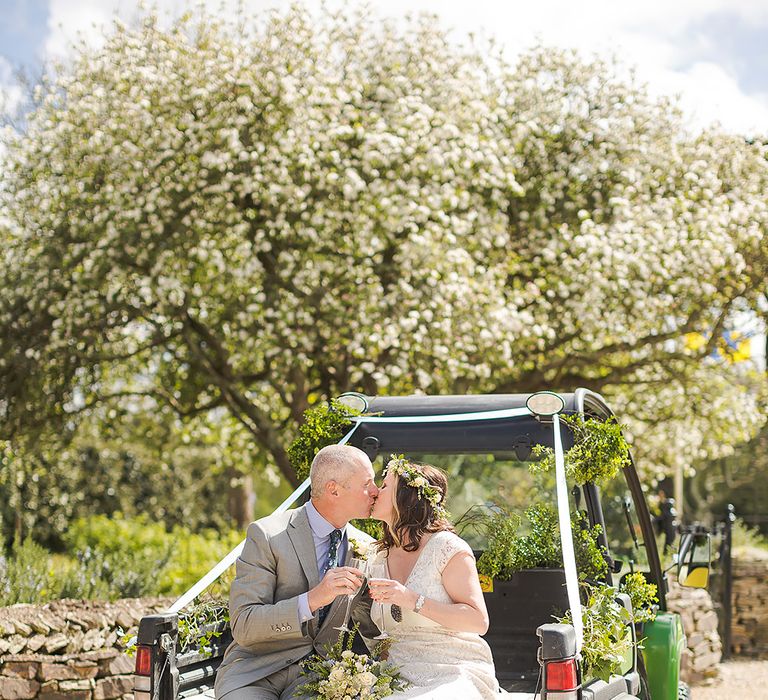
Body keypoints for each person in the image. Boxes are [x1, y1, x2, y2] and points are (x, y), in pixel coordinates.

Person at [214, 444, 380, 700]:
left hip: (321, 678)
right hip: (255, 674)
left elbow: (372, 626)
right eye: (367, 483)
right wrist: (312, 600)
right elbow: (244, 625)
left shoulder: (367, 548)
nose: (375, 491)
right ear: (333, 489)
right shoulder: (267, 535)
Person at [366, 456, 504, 699]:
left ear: (405, 498)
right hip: (397, 676)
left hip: (453, 669)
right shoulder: (377, 557)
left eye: (385, 485)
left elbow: (478, 621)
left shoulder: (446, 548)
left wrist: (411, 599)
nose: (376, 491)